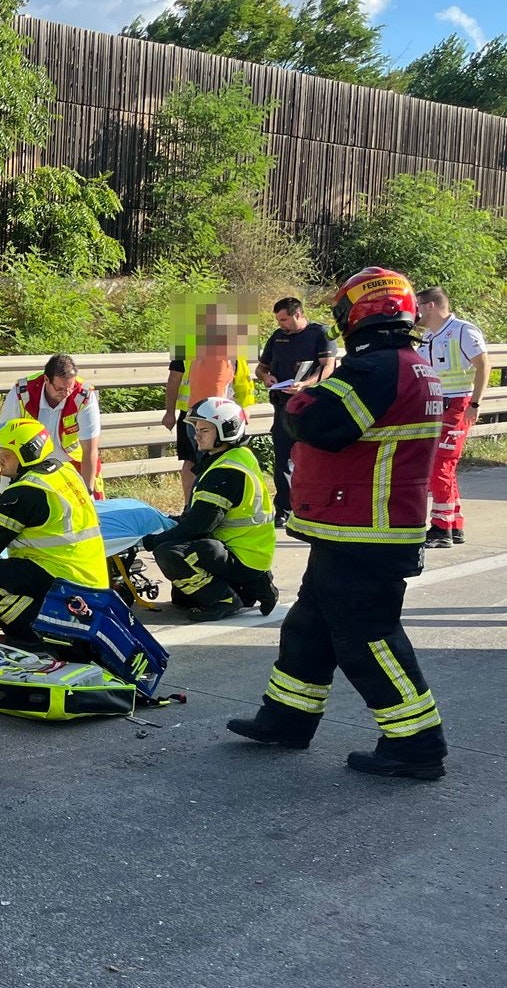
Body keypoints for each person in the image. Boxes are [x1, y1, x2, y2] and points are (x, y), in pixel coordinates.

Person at [227, 267, 448, 780]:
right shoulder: (408, 364)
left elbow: (316, 420)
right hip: (357, 525)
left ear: (356, 314)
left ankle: (417, 744)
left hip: (366, 528)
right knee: (310, 625)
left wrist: (295, 397)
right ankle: (287, 718)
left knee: (367, 635)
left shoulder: (375, 369)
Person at [0, 417, 107, 652]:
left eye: (6, 454)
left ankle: (29, 632)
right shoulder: (65, 471)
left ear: (27, 454)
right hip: (90, 577)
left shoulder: (26, 491)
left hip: (60, 577)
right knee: (11, 570)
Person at [140, 397, 278, 622]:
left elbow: (199, 526)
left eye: (204, 430)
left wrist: (152, 540)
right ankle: (253, 586)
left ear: (227, 430)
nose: (196, 435)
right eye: (196, 429)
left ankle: (223, 599)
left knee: (169, 553)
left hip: (240, 554)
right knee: (182, 598)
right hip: (251, 552)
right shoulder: (238, 456)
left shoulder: (224, 472)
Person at [416, 287, 490, 548]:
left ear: (431, 306)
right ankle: (454, 524)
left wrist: (475, 403)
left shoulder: (462, 330)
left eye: (419, 305)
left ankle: (440, 528)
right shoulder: (427, 335)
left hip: (458, 404)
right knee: (442, 465)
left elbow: (483, 364)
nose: (416, 311)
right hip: (436, 404)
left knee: (440, 465)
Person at [255, 297, 338, 527]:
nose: (281, 324)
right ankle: (284, 508)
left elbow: (328, 368)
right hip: (283, 405)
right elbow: (261, 367)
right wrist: (266, 377)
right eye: (278, 320)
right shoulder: (278, 336)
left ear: (298, 314)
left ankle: (317, 506)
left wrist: (305, 384)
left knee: (313, 457)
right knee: (282, 457)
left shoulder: (320, 334)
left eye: (284, 319)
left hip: (311, 405)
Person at [161, 309, 256, 509]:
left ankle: (194, 507)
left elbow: (243, 382)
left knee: (194, 461)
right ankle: (198, 506)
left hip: (200, 415)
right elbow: (244, 384)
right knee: (207, 460)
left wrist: (169, 412)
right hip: (212, 416)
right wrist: (169, 411)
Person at [0, 354, 103, 497]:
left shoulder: (83, 396)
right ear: (46, 380)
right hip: (29, 464)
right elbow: (6, 441)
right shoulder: (22, 393)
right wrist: (9, 487)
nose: (66, 393)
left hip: (71, 465)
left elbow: (90, 448)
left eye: (70, 388)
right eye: (60, 389)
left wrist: (87, 492)